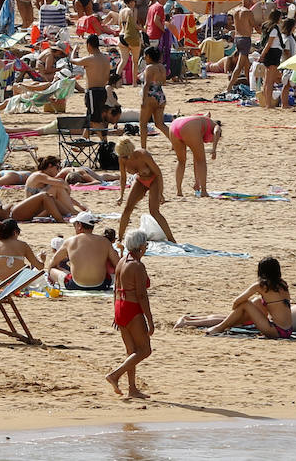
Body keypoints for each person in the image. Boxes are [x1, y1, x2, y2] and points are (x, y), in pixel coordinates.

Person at [176, 284, 296, 333]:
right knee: (234, 322)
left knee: (233, 318)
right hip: (272, 323)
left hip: (272, 318)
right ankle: (189, 322)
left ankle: (190, 319)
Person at [106, 228, 153, 399]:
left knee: (131, 351)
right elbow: (142, 295)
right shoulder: (137, 266)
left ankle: (132, 389)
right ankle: (115, 375)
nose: (146, 247)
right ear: (140, 246)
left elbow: (115, 289)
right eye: (145, 244)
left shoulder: (121, 262)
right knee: (145, 350)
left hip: (120, 305)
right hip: (132, 307)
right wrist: (150, 320)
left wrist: (115, 312)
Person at [204, 257, 294, 338]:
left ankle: (219, 328)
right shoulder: (283, 284)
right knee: (258, 301)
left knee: (245, 304)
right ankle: (226, 324)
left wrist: (237, 310)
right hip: (288, 331)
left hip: (276, 331)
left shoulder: (261, 285)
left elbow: (237, 301)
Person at [114, 140, 176, 244]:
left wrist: (161, 192)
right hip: (140, 180)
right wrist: (121, 196)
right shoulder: (122, 159)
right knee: (127, 208)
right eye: (122, 156)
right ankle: (119, 238)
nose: (125, 158)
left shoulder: (143, 154)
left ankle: (171, 239)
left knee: (154, 211)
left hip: (154, 180)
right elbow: (123, 178)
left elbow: (158, 173)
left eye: (126, 156)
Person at [47, 212, 118, 290]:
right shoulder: (105, 241)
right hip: (101, 285)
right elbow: (118, 264)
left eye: (75, 224)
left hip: (75, 285)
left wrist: (50, 274)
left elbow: (53, 262)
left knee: (52, 270)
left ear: (79, 225)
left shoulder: (70, 241)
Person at [168, 113, 222, 198]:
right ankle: (204, 191)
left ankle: (179, 191)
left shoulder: (204, 122)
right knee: (202, 161)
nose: (209, 142)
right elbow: (217, 131)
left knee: (181, 161)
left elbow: (196, 161)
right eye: (211, 140)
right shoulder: (215, 125)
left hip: (174, 125)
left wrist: (197, 182)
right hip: (190, 126)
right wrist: (214, 149)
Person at [138, 46, 169, 150]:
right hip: (160, 95)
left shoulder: (149, 68)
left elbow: (147, 84)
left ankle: (143, 148)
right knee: (160, 124)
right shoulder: (161, 67)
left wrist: (143, 100)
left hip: (150, 95)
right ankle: (175, 141)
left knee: (143, 124)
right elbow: (163, 82)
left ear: (148, 56)